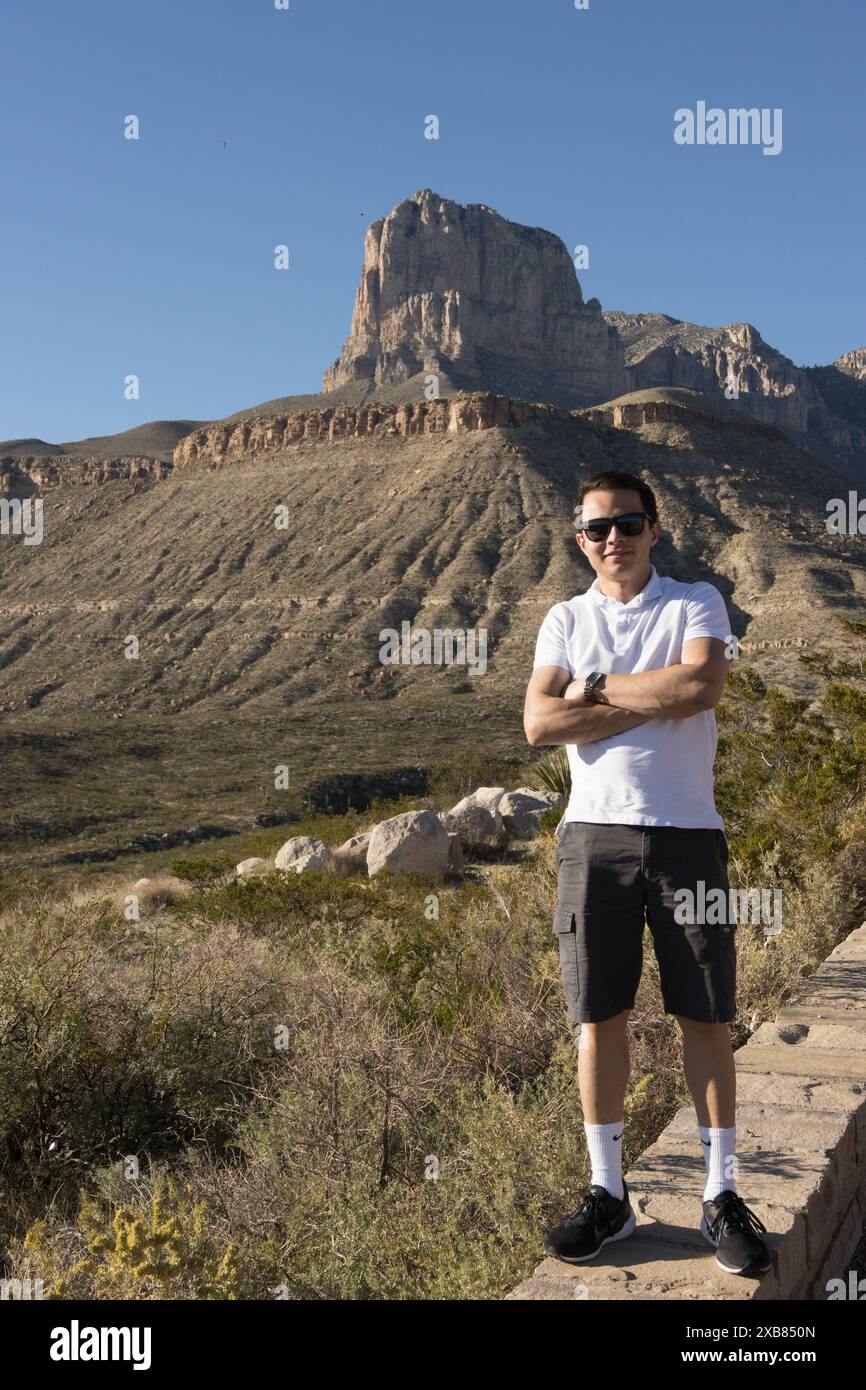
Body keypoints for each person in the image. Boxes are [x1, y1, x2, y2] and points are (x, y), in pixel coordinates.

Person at [523, 469, 771, 1278]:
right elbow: (539, 721)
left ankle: (721, 1194)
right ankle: (608, 1195)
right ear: (578, 537)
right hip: (591, 837)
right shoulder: (564, 617)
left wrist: (591, 690)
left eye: (628, 524)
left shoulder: (695, 599)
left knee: (705, 1015)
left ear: (654, 529)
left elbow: (702, 684)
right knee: (599, 1017)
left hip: (687, 832)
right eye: (597, 529)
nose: (613, 540)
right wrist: (651, 696)